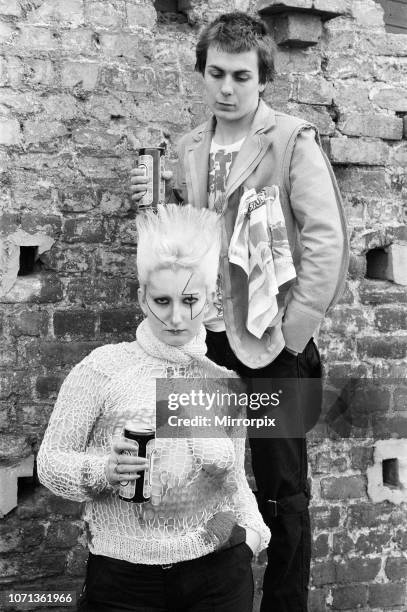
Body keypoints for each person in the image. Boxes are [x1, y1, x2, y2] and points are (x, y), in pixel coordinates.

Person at [130, 12, 349, 612]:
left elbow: (327, 240)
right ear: (202, 73)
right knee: (201, 479)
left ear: (262, 79)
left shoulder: (291, 140)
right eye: (216, 74)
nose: (227, 88)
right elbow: (192, 242)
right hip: (206, 347)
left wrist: (294, 333)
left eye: (241, 77)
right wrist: (152, 212)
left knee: (282, 492)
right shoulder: (190, 147)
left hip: (273, 341)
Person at [37, 204, 270, 612]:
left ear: (212, 298)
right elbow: (50, 462)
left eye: (190, 299)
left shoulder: (224, 384)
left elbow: (234, 481)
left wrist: (251, 536)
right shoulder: (102, 369)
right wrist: (102, 471)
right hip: (125, 581)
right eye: (162, 301)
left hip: (218, 577)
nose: (176, 317)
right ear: (142, 298)